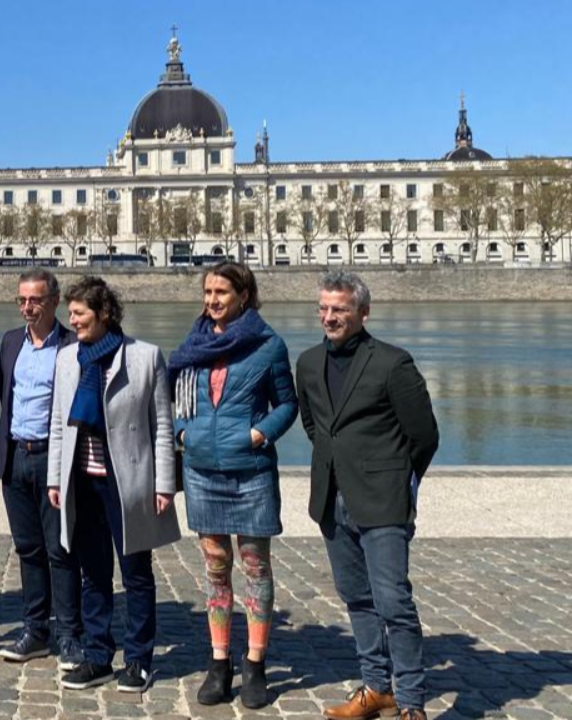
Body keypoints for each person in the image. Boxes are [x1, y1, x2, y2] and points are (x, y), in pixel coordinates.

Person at [297, 272, 438, 720]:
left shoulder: (393, 363)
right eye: (323, 308)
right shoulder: (307, 362)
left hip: (383, 500)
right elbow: (314, 424)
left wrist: (396, 479)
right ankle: (376, 688)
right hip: (331, 500)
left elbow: (424, 435)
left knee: (394, 602)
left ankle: (412, 702)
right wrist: (334, 462)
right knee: (355, 597)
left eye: (339, 309)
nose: (329, 317)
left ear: (362, 312)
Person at [168, 262, 298, 708]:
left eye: (221, 292)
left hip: (251, 471)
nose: (212, 300)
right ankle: (220, 661)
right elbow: (177, 397)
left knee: (255, 565)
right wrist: (184, 432)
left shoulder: (268, 346)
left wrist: (259, 434)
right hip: (202, 470)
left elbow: (287, 404)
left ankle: (256, 661)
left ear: (244, 295)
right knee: (215, 565)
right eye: (207, 292)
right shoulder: (194, 344)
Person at [46, 276, 181, 693]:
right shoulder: (68, 358)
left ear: (104, 314)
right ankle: (98, 654)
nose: (73, 320)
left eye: (80, 313)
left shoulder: (145, 357)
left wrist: (164, 484)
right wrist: (54, 477)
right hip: (81, 481)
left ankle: (139, 659)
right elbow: (58, 423)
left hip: (129, 483)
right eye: (70, 313)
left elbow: (161, 425)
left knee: (136, 574)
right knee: (93, 574)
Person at [0, 268, 84, 669]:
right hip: (15, 456)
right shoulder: (11, 341)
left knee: (61, 549)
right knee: (28, 549)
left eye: (35, 300)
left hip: (54, 458)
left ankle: (69, 633)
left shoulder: (71, 345)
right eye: (22, 300)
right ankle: (35, 629)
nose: (27, 308)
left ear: (54, 301)